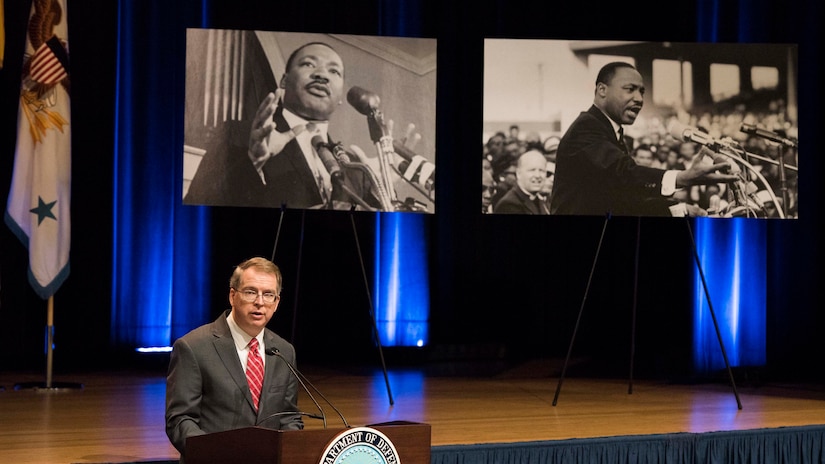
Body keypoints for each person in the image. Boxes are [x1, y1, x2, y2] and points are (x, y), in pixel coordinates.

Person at [185, 42, 381, 210]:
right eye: (308, 64)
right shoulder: (237, 134)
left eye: (334, 71)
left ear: (340, 97)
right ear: (284, 81)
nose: (322, 74)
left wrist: (380, 187)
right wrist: (253, 162)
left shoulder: (356, 171)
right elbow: (197, 206)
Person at [549, 62, 738, 217]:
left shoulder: (610, 130)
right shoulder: (586, 128)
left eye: (642, 92)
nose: (639, 99)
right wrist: (682, 177)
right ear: (602, 90)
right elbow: (623, 174)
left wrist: (678, 208)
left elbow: (622, 196)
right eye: (630, 89)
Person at [166, 257, 303, 462]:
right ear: (232, 296)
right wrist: (215, 455)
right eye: (250, 292)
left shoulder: (283, 351)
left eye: (268, 295)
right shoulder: (193, 347)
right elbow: (180, 420)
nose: (259, 301)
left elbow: (289, 416)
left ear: (276, 303)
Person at [494, 150, 550, 214]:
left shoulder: (543, 201)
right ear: (518, 173)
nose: (537, 175)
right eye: (532, 170)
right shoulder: (509, 204)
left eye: (541, 170)